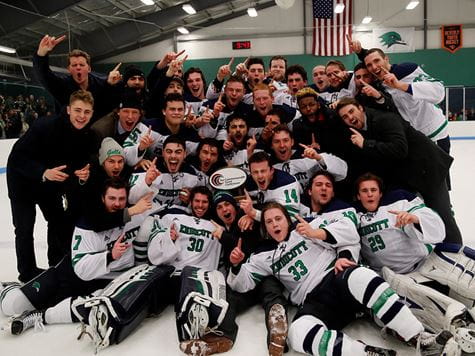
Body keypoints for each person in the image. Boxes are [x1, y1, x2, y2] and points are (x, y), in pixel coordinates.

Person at [227, 201, 453, 356]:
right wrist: (235, 265)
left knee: (361, 276)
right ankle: (364, 353)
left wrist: (318, 234)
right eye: (269, 222)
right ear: (265, 228)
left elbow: (348, 230)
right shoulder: (263, 256)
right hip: (315, 302)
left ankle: (418, 337)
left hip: (336, 281)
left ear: (287, 220)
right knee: (297, 333)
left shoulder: (307, 227)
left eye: (278, 219)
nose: (275, 224)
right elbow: (241, 282)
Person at [0, 178, 157, 335]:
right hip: (71, 275)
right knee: (12, 305)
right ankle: (8, 288)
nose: (117, 203)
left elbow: (161, 204)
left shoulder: (137, 215)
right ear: (103, 198)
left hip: (106, 281)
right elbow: (82, 270)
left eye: (121, 199)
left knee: (98, 306)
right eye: (112, 198)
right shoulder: (89, 223)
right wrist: (110, 256)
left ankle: (39, 316)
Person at [354, 173, 475, 353]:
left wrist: (415, 219)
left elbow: (437, 227)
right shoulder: (353, 217)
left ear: (380, 193)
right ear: (358, 196)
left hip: (428, 262)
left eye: (373, 190)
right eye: (364, 191)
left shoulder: (399, 201)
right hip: (397, 277)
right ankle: (459, 329)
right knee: (431, 308)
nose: (370, 194)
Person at [336, 97, 462, 244]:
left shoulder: (384, 119)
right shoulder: (356, 133)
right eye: (345, 116)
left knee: (442, 215)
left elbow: (399, 149)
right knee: (413, 215)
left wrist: (365, 144)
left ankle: (457, 253)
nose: (350, 117)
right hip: (406, 177)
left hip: (427, 170)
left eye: (351, 111)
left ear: (361, 108)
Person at [7, 90, 97, 282]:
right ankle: (27, 272)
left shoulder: (87, 135)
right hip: (22, 181)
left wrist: (81, 174)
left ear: (92, 113)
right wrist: (42, 172)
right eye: (78, 110)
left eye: (87, 112)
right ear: (68, 110)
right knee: (24, 227)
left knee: (58, 221)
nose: (82, 116)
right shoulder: (44, 126)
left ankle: (55, 264)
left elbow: (77, 165)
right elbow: (18, 157)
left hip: (50, 184)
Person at [144, 186, 236, 355]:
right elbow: (157, 255)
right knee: (149, 282)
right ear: (191, 202)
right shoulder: (176, 218)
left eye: (205, 202)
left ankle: (191, 327)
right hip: (174, 277)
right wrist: (169, 239)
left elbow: (225, 258)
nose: (200, 206)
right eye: (197, 201)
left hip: (197, 280)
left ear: (210, 205)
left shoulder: (216, 226)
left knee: (189, 273)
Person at [213, 191, 289, 356]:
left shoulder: (246, 221)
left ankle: (277, 338)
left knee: (272, 294)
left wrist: (251, 217)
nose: (224, 209)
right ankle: (223, 337)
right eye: (219, 207)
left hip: (262, 273)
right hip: (242, 279)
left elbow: (250, 251)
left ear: (234, 206)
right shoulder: (217, 227)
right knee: (228, 300)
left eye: (227, 204)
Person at [361, 48, 450, 152]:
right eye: (369, 65)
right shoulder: (378, 86)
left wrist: (401, 86)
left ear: (386, 59)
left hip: (434, 134)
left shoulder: (407, 70)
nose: (374, 67)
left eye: (377, 61)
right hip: (412, 138)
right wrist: (360, 51)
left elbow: (438, 92)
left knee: (438, 168)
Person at [32, 35, 119, 119]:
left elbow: (110, 104)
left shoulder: (101, 84)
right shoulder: (61, 85)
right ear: (69, 69)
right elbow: (44, 76)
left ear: (89, 68)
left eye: (81, 65)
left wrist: (110, 84)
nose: (78, 67)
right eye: (74, 65)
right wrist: (41, 54)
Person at [128, 135, 205, 210]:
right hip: (148, 214)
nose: (173, 156)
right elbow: (130, 199)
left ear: (185, 154)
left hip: (176, 217)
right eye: (169, 152)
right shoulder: (147, 168)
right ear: (163, 153)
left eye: (178, 152)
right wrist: (147, 182)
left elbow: (200, 203)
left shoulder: (191, 173)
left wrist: (189, 200)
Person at [270, 125, 347, 192]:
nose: (282, 145)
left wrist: (319, 158)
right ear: (271, 145)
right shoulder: (268, 164)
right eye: (277, 141)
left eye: (286, 140)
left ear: (292, 142)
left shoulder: (310, 155)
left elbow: (342, 171)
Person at [241, 151, 301, 222]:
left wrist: (253, 214)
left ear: (271, 170)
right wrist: (249, 216)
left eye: (263, 171)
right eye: (255, 172)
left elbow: (290, 219)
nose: (260, 176)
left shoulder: (287, 183)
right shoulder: (249, 183)